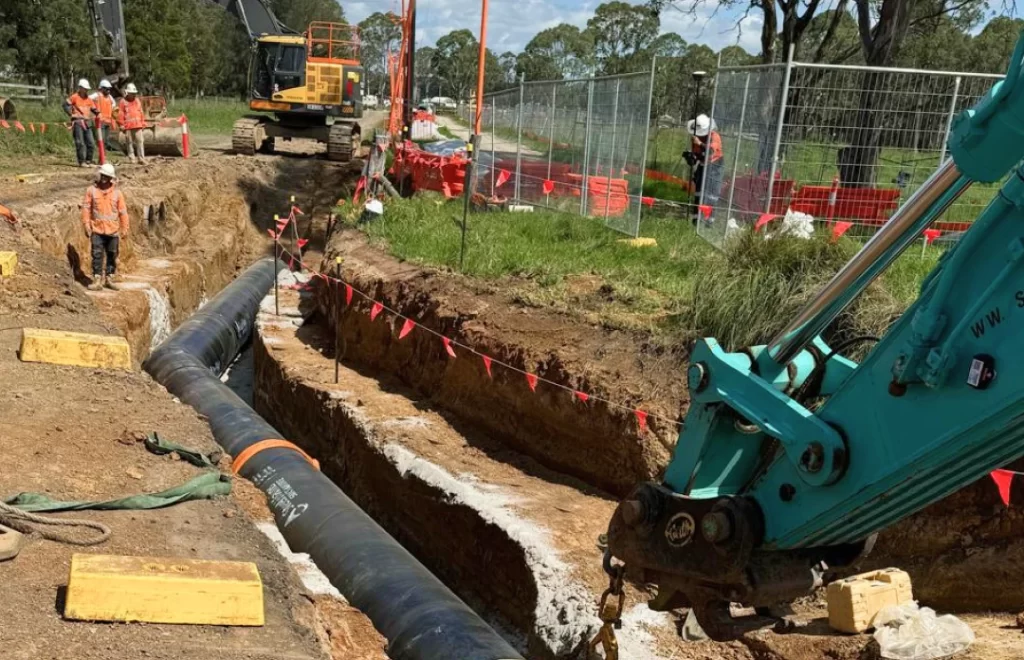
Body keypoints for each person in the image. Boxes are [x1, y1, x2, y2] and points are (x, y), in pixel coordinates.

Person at [81, 163, 129, 291]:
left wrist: (125, 228)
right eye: (102, 175)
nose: (103, 178)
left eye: (106, 176)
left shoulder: (117, 194)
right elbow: (86, 209)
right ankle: (97, 279)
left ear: (110, 178)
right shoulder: (91, 191)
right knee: (97, 254)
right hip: (97, 229)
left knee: (112, 254)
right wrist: (86, 224)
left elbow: (123, 212)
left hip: (113, 231)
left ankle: (109, 278)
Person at [684, 114, 724, 224]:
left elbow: (710, 151)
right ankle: (697, 218)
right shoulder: (695, 137)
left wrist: (700, 143)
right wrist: (692, 158)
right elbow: (698, 154)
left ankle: (709, 220)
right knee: (699, 191)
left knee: (711, 193)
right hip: (703, 165)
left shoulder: (714, 136)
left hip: (715, 165)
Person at [63, 79, 98, 168]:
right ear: (80, 88)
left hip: (87, 122)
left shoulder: (89, 99)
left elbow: (94, 109)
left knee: (91, 143)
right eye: (85, 88)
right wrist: (71, 114)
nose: (86, 90)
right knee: (80, 142)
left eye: (87, 89)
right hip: (78, 122)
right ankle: (81, 162)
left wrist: (99, 113)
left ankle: (89, 161)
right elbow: (65, 104)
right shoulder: (74, 97)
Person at [119, 83, 147, 164]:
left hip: (138, 125)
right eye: (132, 93)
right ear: (128, 93)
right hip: (128, 126)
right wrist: (121, 124)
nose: (134, 95)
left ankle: (141, 158)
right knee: (129, 143)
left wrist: (143, 122)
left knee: (140, 141)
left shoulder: (137, 101)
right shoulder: (123, 102)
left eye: (134, 93)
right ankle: (132, 158)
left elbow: (141, 112)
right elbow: (120, 114)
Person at [90, 79, 118, 152]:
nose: (108, 90)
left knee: (105, 140)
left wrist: (113, 110)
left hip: (107, 121)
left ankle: (103, 155)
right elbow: (88, 99)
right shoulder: (97, 95)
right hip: (100, 121)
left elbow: (114, 103)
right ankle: (100, 156)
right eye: (107, 89)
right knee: (100, 139)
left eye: (109, 89)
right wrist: (93, 108)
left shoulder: (109, 97)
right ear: (102, 88)